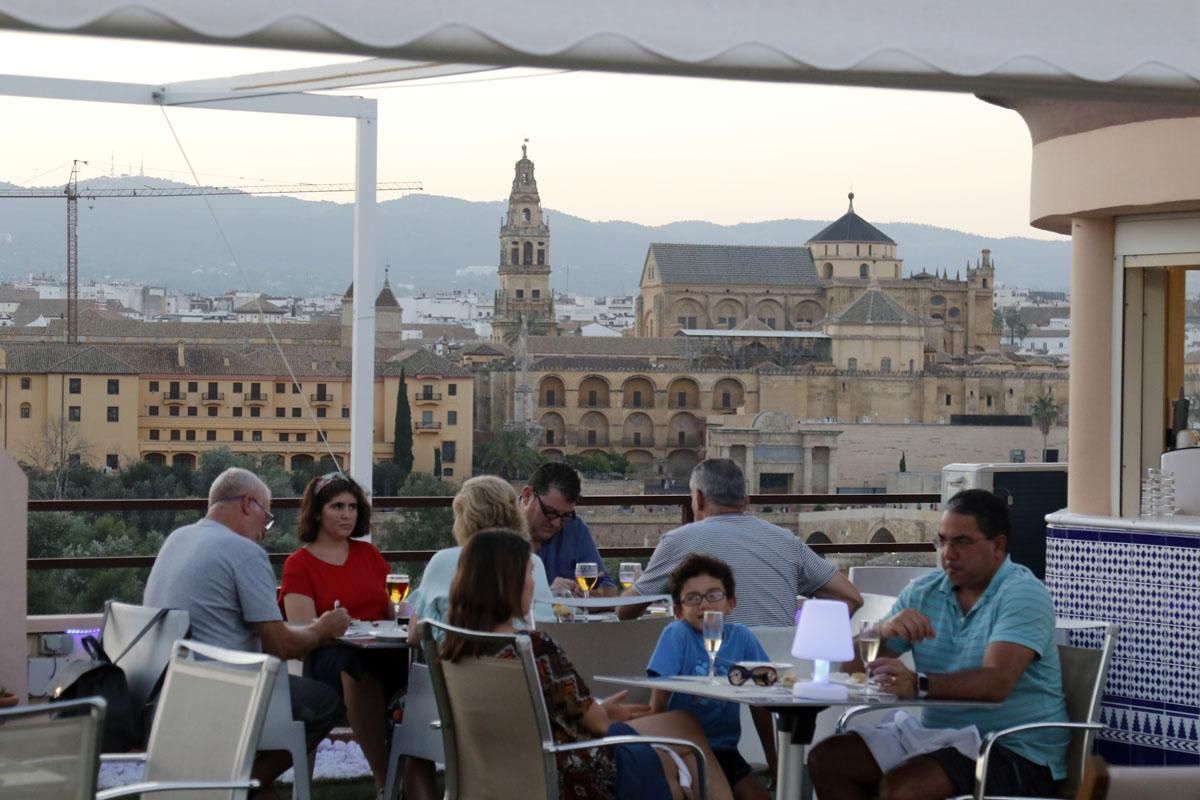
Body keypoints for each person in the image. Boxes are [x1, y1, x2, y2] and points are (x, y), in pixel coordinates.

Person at [807, 489, 1069, 800]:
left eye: (961, 542)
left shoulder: (1022, 594)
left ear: (998, 546)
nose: (948, 553)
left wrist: (917, 684)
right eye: (942, 541)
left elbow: (996, 682)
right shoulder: (924, 593)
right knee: (828, 761)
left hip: (1014, 749)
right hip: (939, 739)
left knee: (904, 787)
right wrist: (882, 629)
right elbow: (849, 668)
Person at [440, 528, 735, 800]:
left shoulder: (453, 649)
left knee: (679, 735)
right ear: (509, 581)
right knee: (683, 737)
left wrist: (601, 710)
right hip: (573, 768)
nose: (533, 583)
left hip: (503, 771)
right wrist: (605, 712)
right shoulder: (533, 647)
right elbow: (597, 724)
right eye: (529, 573)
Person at [144, 467, 350, 800]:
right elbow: (281, 645)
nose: (265, 532)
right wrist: (323, 629)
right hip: (221, 693)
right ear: (247, 504)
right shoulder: (244, 552)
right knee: (326, 702)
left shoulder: (177, 539)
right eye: (266, 519)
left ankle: (241, 785)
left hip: (164, 691)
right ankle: (230, 787)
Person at [403, 475, 555, 800]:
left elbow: (415, 634)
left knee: (409, 721)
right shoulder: (532, 565)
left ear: (463, 516)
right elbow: (545, 629)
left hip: (449, 703)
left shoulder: (442, 561)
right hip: (521, 705)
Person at [618, 458, 861, 624]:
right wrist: (802, 634)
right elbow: (851, 598)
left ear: (699, 499)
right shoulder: (787, 541)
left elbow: (624, 611)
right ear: (745, 502)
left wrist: (641, 583)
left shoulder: (678, 542)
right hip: (780, 671)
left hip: (713, 671)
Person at [279, 471, 397, 795]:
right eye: (336, 506)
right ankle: (385, 780)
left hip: (382, 648)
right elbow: (303, 630)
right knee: (354, 668)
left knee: (418, 665)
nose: (347, 514)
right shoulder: (298, 565)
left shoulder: (368, 555)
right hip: (328, 656)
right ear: (317, 512)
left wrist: (406, 614)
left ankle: (415, 769)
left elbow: (392, 608)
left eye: (352, 506)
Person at [647, 554, 775, 800]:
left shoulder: (742, 638)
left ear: (731, 602)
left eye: (714, 595)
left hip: (723, 749)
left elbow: (762, 699)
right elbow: (658, 702)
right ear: (679, 611)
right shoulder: (676, 635)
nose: (704, 605)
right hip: (681, 747)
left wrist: (773, 760)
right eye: (693, 598)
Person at [520, 461, 617, 597]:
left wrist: (595, 596)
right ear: (527, 496)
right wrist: (548, 595)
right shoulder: (496, 531)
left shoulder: (575, 528)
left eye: (566, 515)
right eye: (550, 512)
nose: (556, 523)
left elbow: (610, 591)